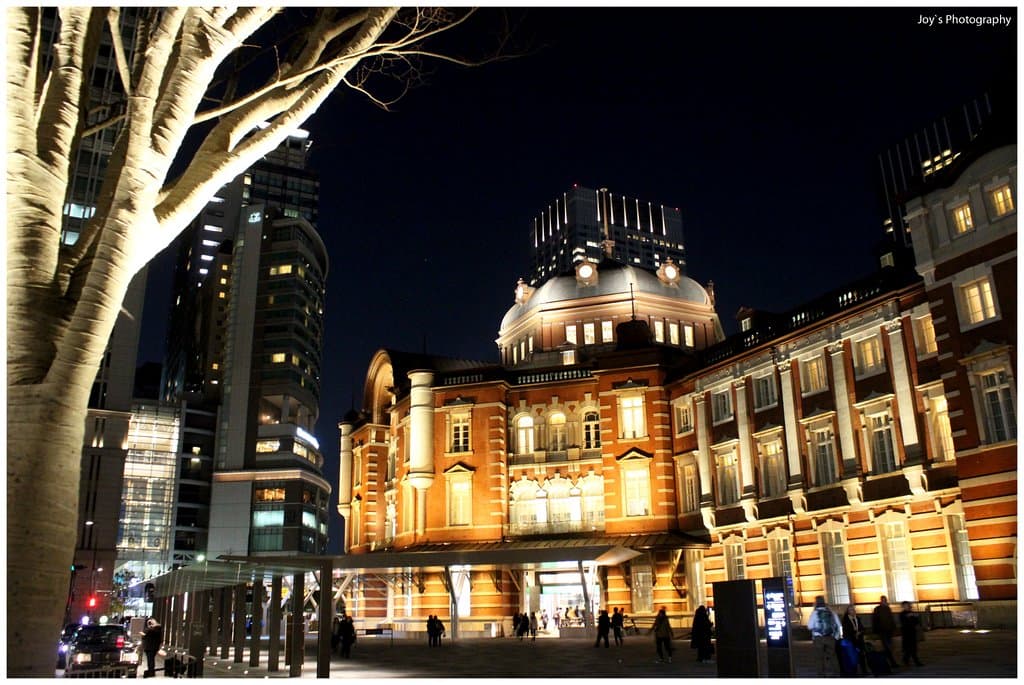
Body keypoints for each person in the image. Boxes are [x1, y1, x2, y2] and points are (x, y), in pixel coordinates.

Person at [807, 596, 842, 676]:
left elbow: (809, 626)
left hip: (818, 638)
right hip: (830, 637)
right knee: (833, 657)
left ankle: (821, 675)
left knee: (819, 658)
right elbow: (839, 625)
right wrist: (839, 636)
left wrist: (817, 627)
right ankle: (837, 674)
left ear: (816, 603)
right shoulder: (832, 612)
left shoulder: (815, 613)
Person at [871, 595, 899, 668]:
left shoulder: (887, 608)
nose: (884, 601)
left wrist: (894, 627)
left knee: (890, 647)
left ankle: (889, 661)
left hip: (889, 630)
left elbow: (891, 618)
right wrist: (875, 630)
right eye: (883, 600)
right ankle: (892, 662)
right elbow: (875, 620)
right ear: (881, 601)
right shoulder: (877, 609)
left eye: (885, 600)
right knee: (887, 647)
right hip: (882, 631)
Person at [840, 604, 867, 675]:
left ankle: (864, 671)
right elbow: (846, 632)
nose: (853, 611)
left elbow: (862, 628)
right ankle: (854, 672)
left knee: (862, 656)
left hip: (859, 640)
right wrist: (854, 634)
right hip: (851, 641)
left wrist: (860, 632)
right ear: (848, 611)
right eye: (851, 610)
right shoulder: (845, 620)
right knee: (853, 656)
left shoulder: (857, 618)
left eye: (854, 609)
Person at [899, 601, 923, 667]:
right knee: (909, 648)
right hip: (906, 633)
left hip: (912, 632)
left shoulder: (912, 613)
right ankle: (915, 661)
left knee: (912, 648)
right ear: (903, 606)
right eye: (905, 605)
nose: (907, 606)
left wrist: (916, 617)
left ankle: (906, 659)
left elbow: (916, 622)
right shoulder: (902, 614)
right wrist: (909, 616)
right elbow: (903, 622)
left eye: (908, 605)